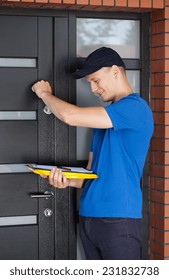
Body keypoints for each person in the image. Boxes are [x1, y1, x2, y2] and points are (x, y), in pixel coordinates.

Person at [32, 47, 154, 260]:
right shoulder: (103, 121)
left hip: (119, 219)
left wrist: (44, 94)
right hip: (89, 217)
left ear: (115, 71)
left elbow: (70, 116)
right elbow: (92, 175)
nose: (93, 89)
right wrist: (66, 181)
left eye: (95, 80)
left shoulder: (136, 108)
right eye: (90, 83)